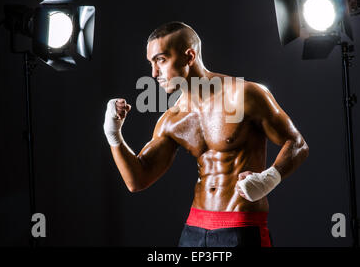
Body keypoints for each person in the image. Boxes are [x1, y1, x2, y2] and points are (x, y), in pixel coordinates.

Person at [103, 21, 309, 247]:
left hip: (240, 226)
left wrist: (268, 179)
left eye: (161, 60)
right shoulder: (172, 119)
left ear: (189, 57)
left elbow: (297, 143)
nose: (154, 73)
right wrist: (114, 135)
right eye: (151, 63)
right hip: (193, 230)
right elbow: (138, 180)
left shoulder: (242, 95)